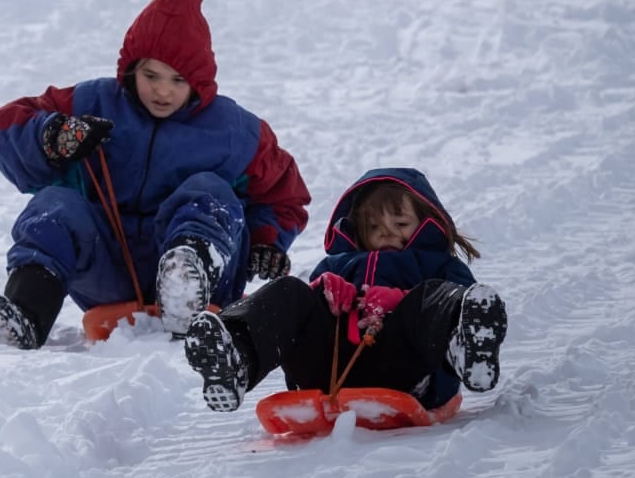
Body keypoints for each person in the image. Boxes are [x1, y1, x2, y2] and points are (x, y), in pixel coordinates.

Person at [0, 0, 311, 347]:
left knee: (208, 190)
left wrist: (267, 243)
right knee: (56, 204)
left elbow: (284, 196)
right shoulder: (95, 103)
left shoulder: (234, 131)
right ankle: (26, 311)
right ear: (132, 68)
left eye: (178, 80)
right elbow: (9, 124)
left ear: (199, 82)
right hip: (112, 275)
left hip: (210, 278)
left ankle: (186, 279)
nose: (163, 91)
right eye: (151, 75)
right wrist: (55, 137)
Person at [183, 167, 509, 414]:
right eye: (374, 228)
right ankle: (237, 356)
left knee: (435, 296)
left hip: (407, 373)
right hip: (327, 372)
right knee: (290, 291)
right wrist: (322, 292)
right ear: (357, 228)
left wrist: (403, 301)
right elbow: (302, 313)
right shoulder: (337, 264)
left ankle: (465, 349)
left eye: (400, 224)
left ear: (425, 221)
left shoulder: (437, 264)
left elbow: (462, 293)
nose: (387, 235)